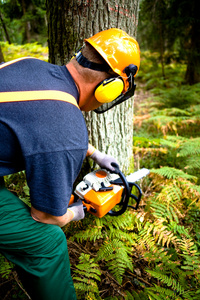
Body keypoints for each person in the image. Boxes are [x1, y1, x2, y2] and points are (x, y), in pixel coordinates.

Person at [0, 28, 140, 299]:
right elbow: (46, 216)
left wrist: (93, 153)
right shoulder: (67, 125)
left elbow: (33, 118)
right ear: (109, 88)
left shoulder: (29, 65)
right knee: (48, 240)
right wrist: (76, 212)